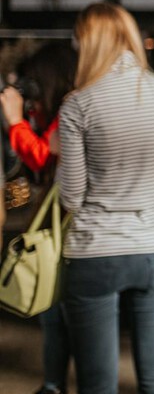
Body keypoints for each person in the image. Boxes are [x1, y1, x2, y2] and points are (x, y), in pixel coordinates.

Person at [57, 2, 154, 394]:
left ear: (87, 43)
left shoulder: (77, 103)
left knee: (97, 384)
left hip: (94, 250)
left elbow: (71, 196)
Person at [0, 41, 78, 394]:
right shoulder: (60, 109)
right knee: (55, 312)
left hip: (67, 224)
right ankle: (53, 383)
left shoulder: (72, 107)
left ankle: (54, 385)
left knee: (58, 310)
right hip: (61, 220)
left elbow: (44, 158)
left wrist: (16, 122)